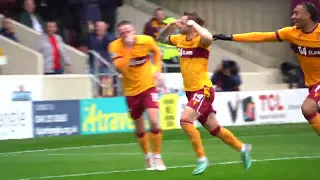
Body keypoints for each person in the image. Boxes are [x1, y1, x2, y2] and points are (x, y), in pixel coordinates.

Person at [157, 12, 252, 175]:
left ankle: (202, 159)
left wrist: (193, 24)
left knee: (185, 121)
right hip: (191, 92)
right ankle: (243, 148)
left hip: (203, 90)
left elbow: (208, 37)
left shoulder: (201, 41)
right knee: (215, 129)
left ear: (192, 26)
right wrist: (170, 26)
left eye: (183, 22)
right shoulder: (180, 40)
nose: (180, 24)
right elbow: (160, 38)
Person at [213, 2, 320, 136]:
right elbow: (261, 36)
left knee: (308, 109)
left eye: (297, 13)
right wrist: (231, 37)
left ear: (308, 15)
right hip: (312, 84)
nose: (293, 16)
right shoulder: (290, 33)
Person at [108, 20, 166, 171]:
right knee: (140, 128)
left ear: (134, 31)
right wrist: (128, 48)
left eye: (129, 31)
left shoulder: (146, 40)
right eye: (123, 33)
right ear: (119, 36)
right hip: (131, 91)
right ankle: (147, 157)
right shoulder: (115, 47)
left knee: (154, 121)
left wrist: (158, 69)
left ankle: (158, 157)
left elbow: (157, 51)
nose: (127, 35)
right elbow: (121, 69)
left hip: (148, 87)